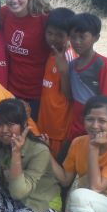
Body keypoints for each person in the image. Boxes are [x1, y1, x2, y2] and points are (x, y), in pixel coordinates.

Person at [0, 0, 52, 118]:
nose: (14, 0)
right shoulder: (4, 13)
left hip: (40, 93)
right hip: (12, 91)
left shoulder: (45, 18)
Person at [67, 13, 107, 140]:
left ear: (96, 37)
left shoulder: (101, 64)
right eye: (73, 37)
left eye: (82, 37)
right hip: (76, 126)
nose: (77, 42)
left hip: (94, 128)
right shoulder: (72, 65)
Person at [37, 8, 77, 158]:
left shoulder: (69, 55)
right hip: (46, 122)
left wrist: (64, 71)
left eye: (59, 35)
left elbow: (70, 94)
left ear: (70, 35)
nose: (53, 38)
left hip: (59, 128)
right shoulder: (53, 51)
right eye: (49, 33)